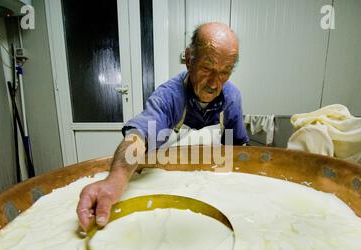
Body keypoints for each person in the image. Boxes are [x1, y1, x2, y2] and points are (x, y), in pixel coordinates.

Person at [77, 22, 249, 231]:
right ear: (189, 59)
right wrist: (115, 180)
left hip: (212, 193)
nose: (214, 83)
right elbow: (139, 135)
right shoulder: (169, 96)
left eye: (225, 72)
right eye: (207, 68)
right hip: (169, 194)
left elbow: (239, 151)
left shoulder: (231, 98)